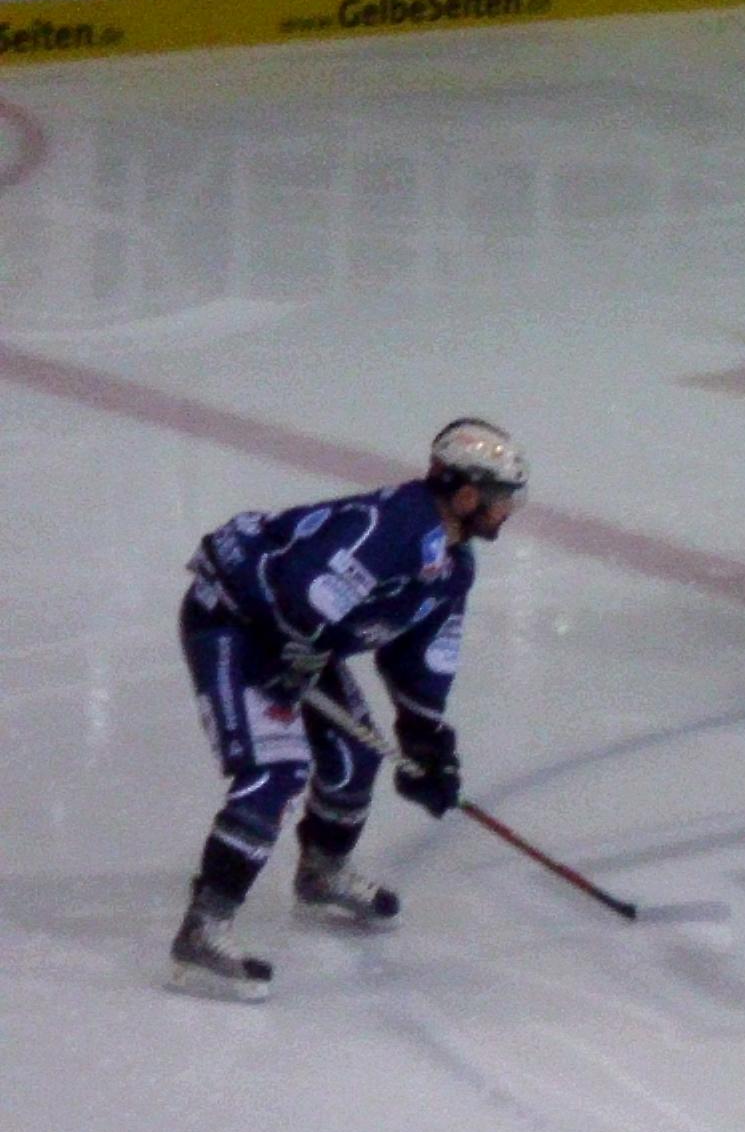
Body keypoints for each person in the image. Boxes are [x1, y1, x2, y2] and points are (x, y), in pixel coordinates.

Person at [169, 420, 528, 1001]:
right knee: (276, 770)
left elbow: (420, 657)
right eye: (501, 495)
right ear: (464, 493)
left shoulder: (453, 565)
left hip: (298, 643)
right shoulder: (395, 529)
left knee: (356, 753)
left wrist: (424, 740)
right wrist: (290, 646)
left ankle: (321, 872)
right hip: (237, 625)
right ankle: (204, 927)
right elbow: (305, 586)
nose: (508, 508)